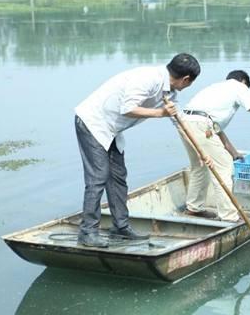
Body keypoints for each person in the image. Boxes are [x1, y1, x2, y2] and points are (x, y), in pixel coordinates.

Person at [75, 53, 201, 247]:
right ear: (186, 79)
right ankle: (88, 232)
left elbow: (178, 120)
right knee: (98, 178)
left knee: (118, 177)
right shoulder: (148, 79)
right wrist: (160, 113)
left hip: (113, 129)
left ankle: (121, 227)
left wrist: (200, 152)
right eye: (190, 83)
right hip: (94, 123)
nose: (188, 86)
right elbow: (128, 108)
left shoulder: (170, 93)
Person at [179, 70, 250, 222]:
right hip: (202, 125)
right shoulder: (239, 87)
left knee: (198, 168)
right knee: (224, 167)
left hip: (185, 123)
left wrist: (234, 153)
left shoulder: (216, 88)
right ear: (243, 82)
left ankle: (194, 208)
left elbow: (217, 131)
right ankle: (229, 216)